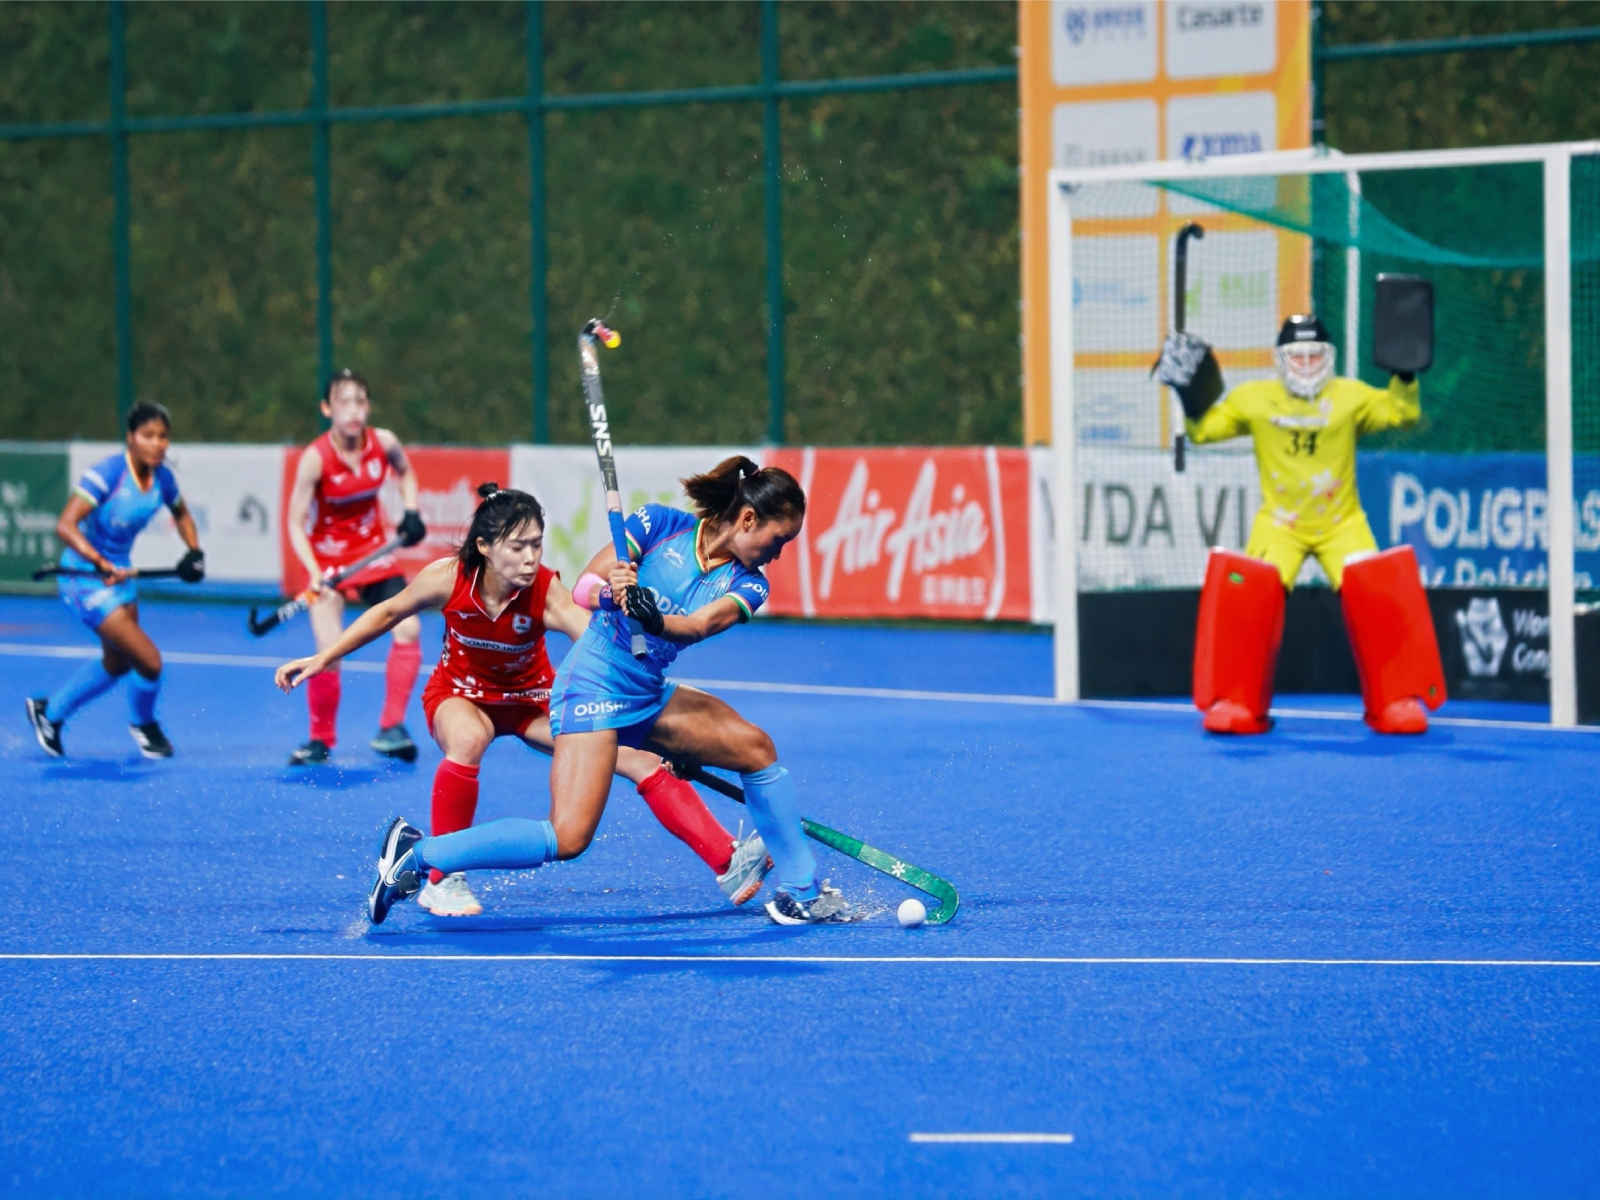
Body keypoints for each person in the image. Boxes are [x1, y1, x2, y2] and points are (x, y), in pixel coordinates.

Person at [364, 456, 854, 926]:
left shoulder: (751, 584)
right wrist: (611, 592)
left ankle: (802, 892)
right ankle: (419, 853)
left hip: (647, 689)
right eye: (778, 538)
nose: (778, 552)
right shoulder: (660, 525)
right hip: (593, 682)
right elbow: (583, 588)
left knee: (755, 748)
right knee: (568, 836)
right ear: (748, 518)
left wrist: (652, 616)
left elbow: (698, 626)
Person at [275, 482, 771, 917]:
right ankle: (440, 879)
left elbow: (605, 656)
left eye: (537, 545)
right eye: (518, 548)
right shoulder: (450, 577)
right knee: (468, 739)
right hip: (459, 694)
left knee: (638, 759)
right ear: (486, 547)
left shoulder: (546, 591)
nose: (531, 558)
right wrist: (322, 657)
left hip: (533, 700)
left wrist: (654, 727)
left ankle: (726, 859)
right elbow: (385, 614)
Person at [1172, 311, 1444, 734]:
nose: (1306, 364)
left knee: (1377, 598)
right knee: (1252, 600)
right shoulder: (1254, 399)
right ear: (1280, 359)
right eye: (1296, 356)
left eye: (1314, 354)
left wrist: (1404, 375)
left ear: (1329, 357)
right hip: (1280, 523)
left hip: (1342, 522)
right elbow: (1205, 432)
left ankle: (1393, 700)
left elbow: (1401, 415)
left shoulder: (1350, 397)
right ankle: (1241, 702)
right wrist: (1191, 395)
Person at [26, 401, 205, 759]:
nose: (157, 444)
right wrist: (99, 561)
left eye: (163, 437)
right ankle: (143, 724)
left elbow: (182, 514)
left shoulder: (163, 479)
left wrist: (194, 551)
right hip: (85, 576)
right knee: (149, 661)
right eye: (148, 436)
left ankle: (50, 713)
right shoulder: (108, 474)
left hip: (119, 573)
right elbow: (66, 525)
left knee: (118, 662)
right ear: (131, 438)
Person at [283, 369, 428, 766]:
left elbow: (406, 472)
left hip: (374, 553)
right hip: (328, 561)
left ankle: (391, 727)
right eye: (343, 402)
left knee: (410, 627)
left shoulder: (383, 443)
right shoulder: (316, 459)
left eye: (360, 401)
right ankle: (320, 739)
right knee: (328, 651)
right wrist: (314, 572)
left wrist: (411, 509)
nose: (353, 410)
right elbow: (295, 523)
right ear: (327, 408)